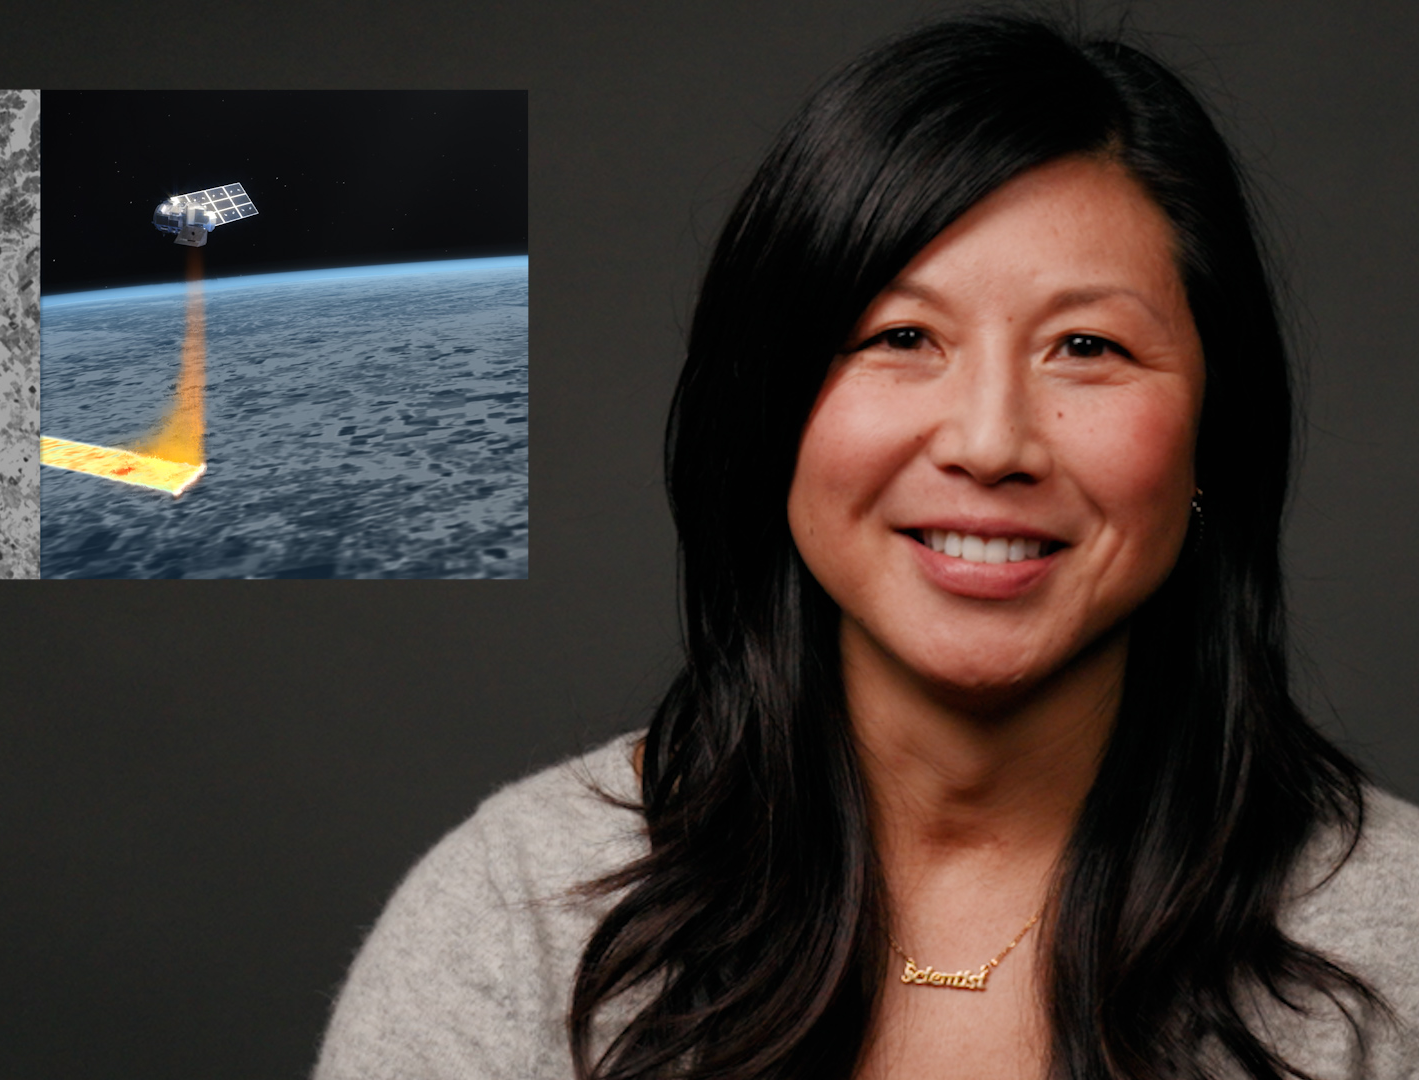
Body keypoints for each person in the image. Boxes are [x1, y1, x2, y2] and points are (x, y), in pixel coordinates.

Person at [313, 14, 1419, 1080]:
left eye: (1087, 346)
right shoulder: (525, 919)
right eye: (901, 337)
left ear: (1214, 434)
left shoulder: (1394, 946)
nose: (991, 443)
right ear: (772, 414)